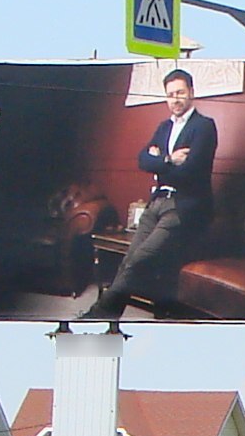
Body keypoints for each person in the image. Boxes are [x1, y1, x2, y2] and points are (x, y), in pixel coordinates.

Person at [85, 69, 220, 319]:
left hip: (184, 207)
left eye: (180, 92)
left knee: (140, 259)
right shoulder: (163, 127)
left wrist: (160, 164)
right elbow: (142, 160)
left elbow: (191, 171)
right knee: (130, 258)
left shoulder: (204, 127)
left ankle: (99, 315)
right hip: (156, 202)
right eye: (170, 95)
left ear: (191, 92)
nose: (175, 99)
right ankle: (106, 315)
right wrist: (170, 160)